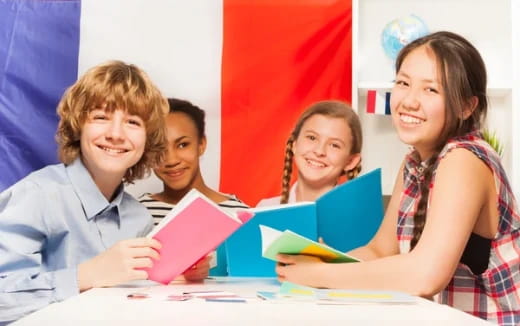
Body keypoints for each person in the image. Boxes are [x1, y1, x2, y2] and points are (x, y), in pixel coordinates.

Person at [275, 31, 520, 325]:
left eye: (431, 90)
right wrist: (320, 261)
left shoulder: (463, 159)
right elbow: (379, 250)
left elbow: (425, 275)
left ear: (467, 106)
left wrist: (321, 275)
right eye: (403, 83)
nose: (409, 101)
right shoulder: (415, 163)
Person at [0, 60, 168, 324]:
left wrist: (172, 276)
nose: (116, 134)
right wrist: (86, 275)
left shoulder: (139, 217)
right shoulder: (37, 195)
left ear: (148, 138)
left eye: (132, 122)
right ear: (78, 127)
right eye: (101, 117)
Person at [139, 98, 249, 278]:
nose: (171, 160)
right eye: (159, 149)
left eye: (182, 145)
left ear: (201, 145)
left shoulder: (237, 214)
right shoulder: (137, 214)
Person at [257, 100, 362, 206]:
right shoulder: (264, 209)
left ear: (351, 161)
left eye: (334, 145)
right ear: (295, 144)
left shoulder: (362, 217)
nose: (319, 151)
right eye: (312, 138)